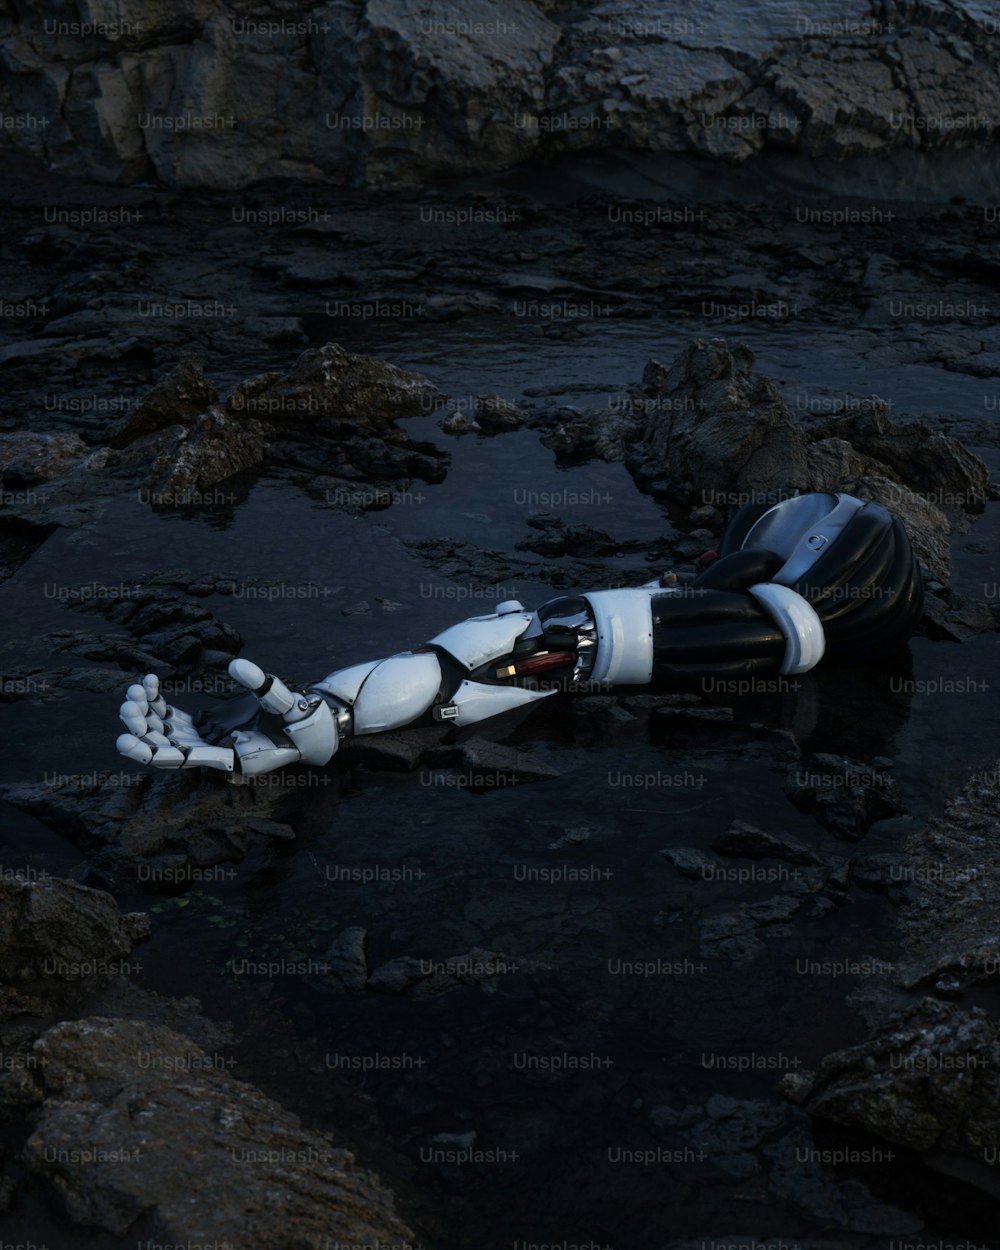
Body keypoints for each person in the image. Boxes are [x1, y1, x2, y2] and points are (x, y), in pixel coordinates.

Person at [116, 490, 923, 779]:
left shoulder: (751, 593)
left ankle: (324, 719)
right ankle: (324, 719)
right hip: (609, 645)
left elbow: (505, 664)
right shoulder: (750, 593)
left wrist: (334, 715)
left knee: (507, 651)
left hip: (590, 644)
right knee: (497, 656)